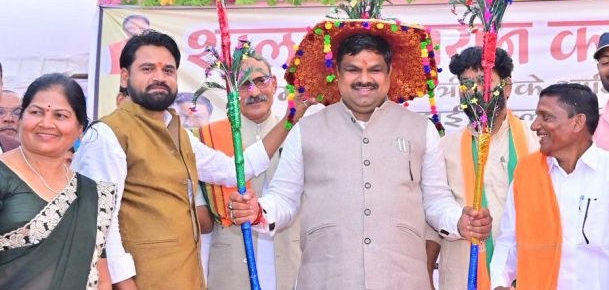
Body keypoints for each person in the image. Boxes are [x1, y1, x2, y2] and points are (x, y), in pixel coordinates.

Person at [230, 29, 492, 288]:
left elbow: (436, 202)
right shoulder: (305, 131)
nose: (364, 79)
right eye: (353, 69)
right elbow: (283, 198)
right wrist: (258, 212)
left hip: (401, 280)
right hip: (327, 279)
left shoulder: (421, 129)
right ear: (337, 74)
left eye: (375, 70)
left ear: (389, 73)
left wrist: (459, 221)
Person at [73, 30, 306, 290]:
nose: (159, 77)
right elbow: (100, 225)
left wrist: (291, 116)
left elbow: (232, 170)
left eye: (168, 70)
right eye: (148, 68)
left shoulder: (177, 133)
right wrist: (124, 284)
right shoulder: (108, 134)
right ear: (126, 77)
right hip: (141, 281)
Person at [490, 83, 609, 289]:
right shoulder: (526, 172)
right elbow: (508, 241)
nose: (535, 126)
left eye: (546, 117)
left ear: (577, 122)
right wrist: (499, 283)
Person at [427, 46, 538, 290]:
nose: (474, 90)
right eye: (466, 84)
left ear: (507, 87)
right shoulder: (444, 149)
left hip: (529, 278)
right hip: (462, 279)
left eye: (482, 81)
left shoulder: (537, 142)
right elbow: (432, 217)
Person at [0, 73, 117, 289]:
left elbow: (100, 276)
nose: (46, 123)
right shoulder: (3, 175)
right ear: (21, 118)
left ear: (80, 129)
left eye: (60, 115)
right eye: (36, 112)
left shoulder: (92, 193)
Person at [202, 53, 302, 289]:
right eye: (244, 84)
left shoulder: (300, 134)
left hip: (291, 266)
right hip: (231, 271)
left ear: (274, 83)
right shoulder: (208, 139)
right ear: (231, 91)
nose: (254, 92)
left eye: (260, 81)